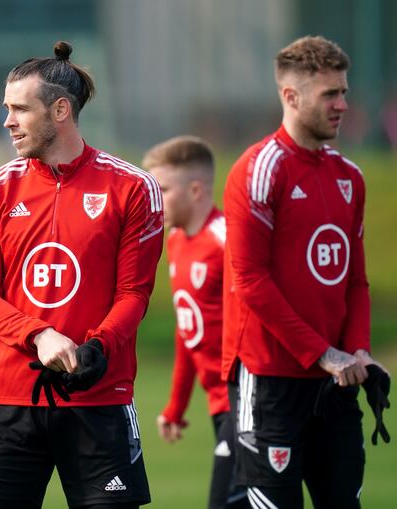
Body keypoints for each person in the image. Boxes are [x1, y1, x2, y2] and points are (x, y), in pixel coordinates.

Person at [0, 41, 163, 509]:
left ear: (59, 110)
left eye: (19, 109)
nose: (7, 121)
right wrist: (39, 336)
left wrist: (98, 347)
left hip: (100, 400)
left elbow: (134, 292)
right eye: (5, 109)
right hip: (11, 402)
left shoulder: (133, 187)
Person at [222, 36, 391, 509]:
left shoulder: (350, 176)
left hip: (335, 381)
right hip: (270, 378)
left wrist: (357, 349)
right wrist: (324, 353)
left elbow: (355, 281)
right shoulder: (258, 170)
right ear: (290, 97)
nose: (342, 104)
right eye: (329, 95)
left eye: (344, 91)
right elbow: (249, 280)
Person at [143, 136, 248, 509]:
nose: (155, 201)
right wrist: (176, 406)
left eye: (164, 190)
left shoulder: (227, 241)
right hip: (220, 406)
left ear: (196, 189)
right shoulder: (174, 241)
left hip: (251, 403)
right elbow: (189, 330)